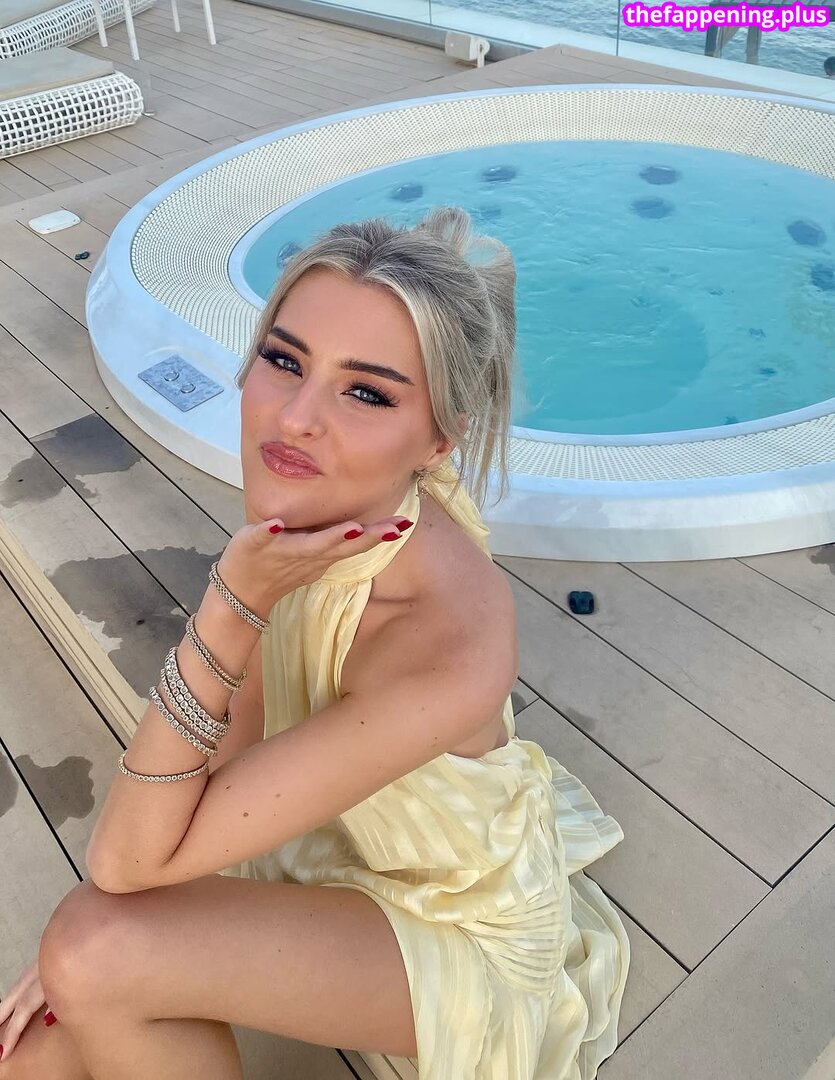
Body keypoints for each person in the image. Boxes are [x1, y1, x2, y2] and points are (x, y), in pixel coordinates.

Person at [0, 208, 629, 1079]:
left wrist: (232, 602)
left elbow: (124, 861)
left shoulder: (442, 642)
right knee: (32, 1048)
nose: (295, 418)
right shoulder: (325, 507)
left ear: (438, 441)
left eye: (366, 392)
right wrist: (137, 903)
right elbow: (226, 748)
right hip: (326, 844)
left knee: (89, 948)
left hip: (456, 932)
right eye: (285, 360)